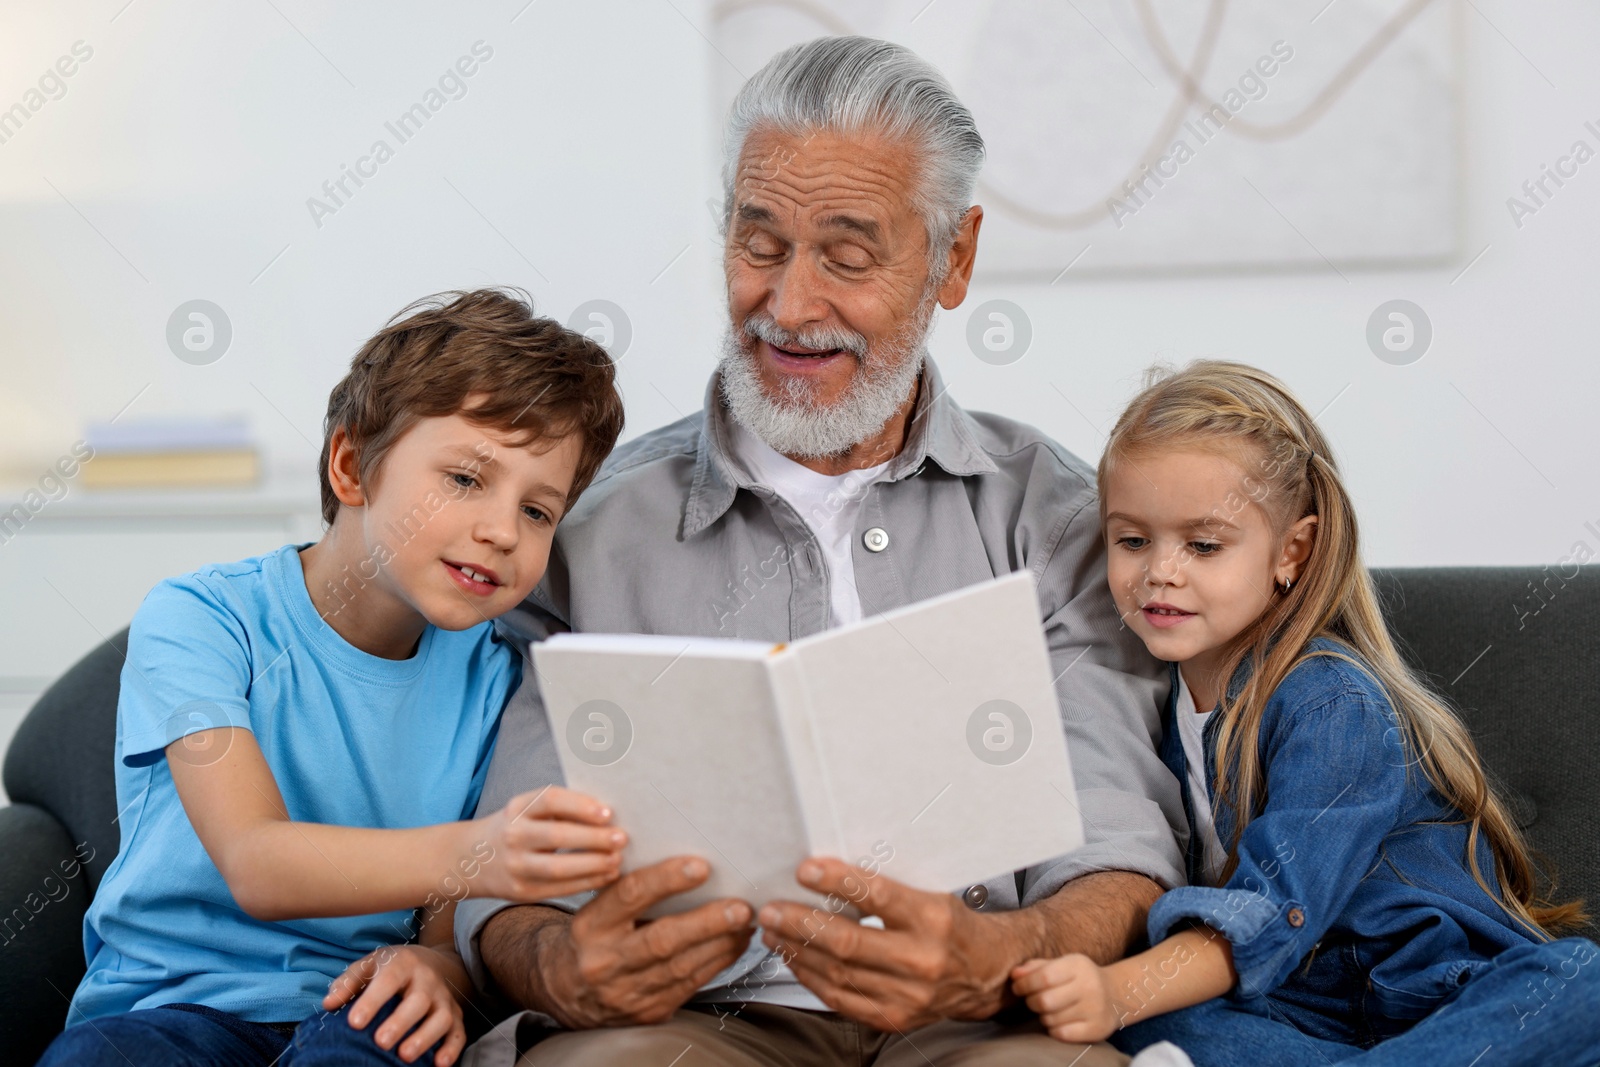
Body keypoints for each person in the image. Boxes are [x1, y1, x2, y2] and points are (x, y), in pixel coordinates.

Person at [453, 37, 1187, 1067]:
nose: (789, 307)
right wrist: (558, 961)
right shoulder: (585, 527)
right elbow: (503, 873)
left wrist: (1008, 949)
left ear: (953, 259)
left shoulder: (1059, 517)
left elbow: (1118, 843)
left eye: (846, 255)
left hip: (978, 1012)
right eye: (759, 245)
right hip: (697, 1020)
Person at [38, 290, 629, 1067]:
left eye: (538, 510)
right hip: (171, 1007)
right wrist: (483, 850)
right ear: (352, 466)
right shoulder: (201, 620)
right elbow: (257, 861)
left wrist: (441, 967)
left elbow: (443, 922)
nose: (502, 530)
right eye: (464, 479)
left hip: (360, 1007)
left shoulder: (502, 678)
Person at [1011, 360, 1600, 1065]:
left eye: (1203, 544)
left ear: (1292, 551)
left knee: (1576, 980)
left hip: (1433, 994)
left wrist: (1118, 988)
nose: (1161, 570)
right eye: (1133, 539)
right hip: (1300, 1007)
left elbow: (1279, 905)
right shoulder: (1151, 703)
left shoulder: (1330, 700)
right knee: (1155, 1023)